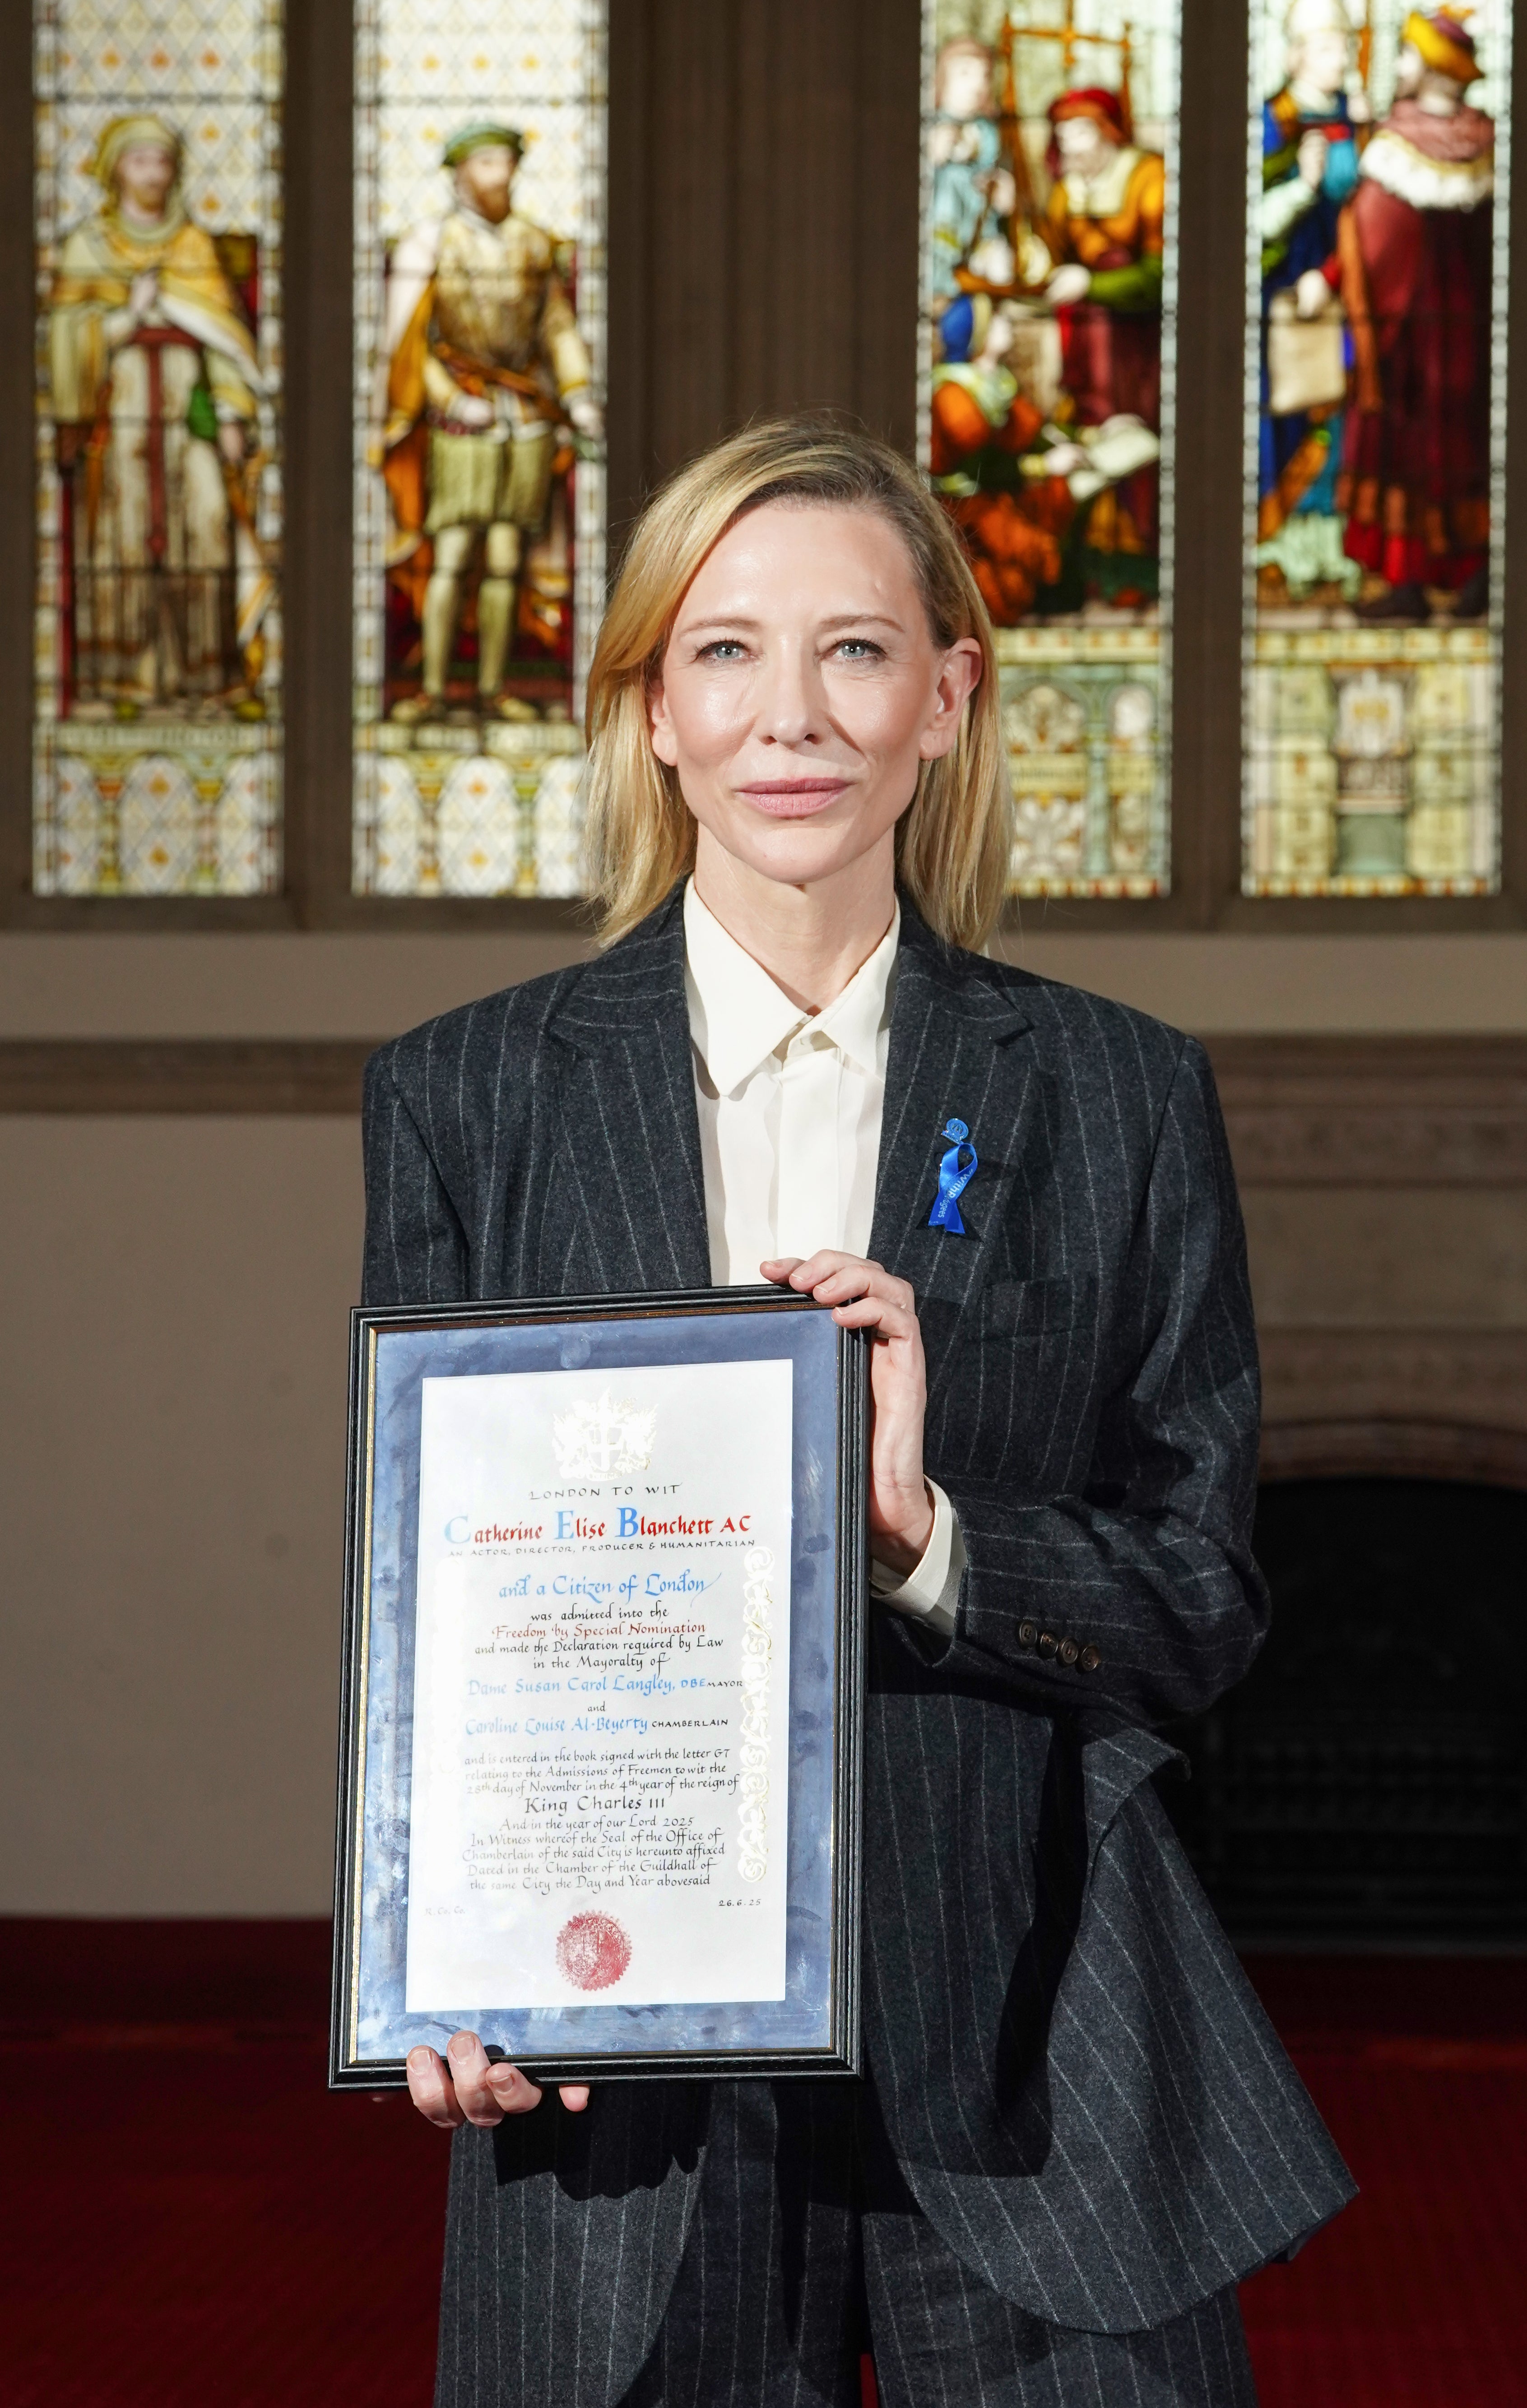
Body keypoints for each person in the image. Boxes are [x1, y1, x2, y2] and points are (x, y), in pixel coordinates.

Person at [362, 417, 1353, 2405]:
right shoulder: (473, 1095)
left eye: (855, 651)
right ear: (651, 707)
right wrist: (424, 1955)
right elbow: (430, 1597)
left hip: (1034, 2014)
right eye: (723, 652)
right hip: (620, 2045)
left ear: (949, 698)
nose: (787, 717)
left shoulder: (1117, 1094)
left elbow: (1202, 1596)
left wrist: (934, 1541)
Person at [47, 113, 270, 715]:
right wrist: (124, 317)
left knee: (205, 527)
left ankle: (207, 678)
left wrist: (229, 411)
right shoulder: (86, 247)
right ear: (114, 169)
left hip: (185, 412)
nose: (154, 173)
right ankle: (124, 681)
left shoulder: (192, 245)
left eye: (165, 161)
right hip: (117, 415)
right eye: (141, 160)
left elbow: (225, 339)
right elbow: (64, 341)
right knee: (120, 538)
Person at [382, 123, 603, 724]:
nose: (499, 175)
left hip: (524, 417)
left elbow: (557, 327)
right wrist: (450, 400)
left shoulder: (534, 244)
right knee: (452, 551)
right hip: (463, 417)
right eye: (485, 163)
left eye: (506, 163)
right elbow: (413, 343)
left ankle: (492, 689)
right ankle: (430, 688)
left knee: (508, 557)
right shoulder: (433, 242)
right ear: (459, 173)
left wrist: (580, 394)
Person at [1336, 10, 1495, 619]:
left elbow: (1378, 239)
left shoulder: (1433, 145)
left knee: (1449, 452)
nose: (1399, 67)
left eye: (1407, 54)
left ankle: (1454, 577)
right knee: (1430, 453)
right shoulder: (1432, 141)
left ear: (1434, 66)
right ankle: (1433, 579)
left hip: (1444, 338)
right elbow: (1373, 238)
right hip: (1438, 338)